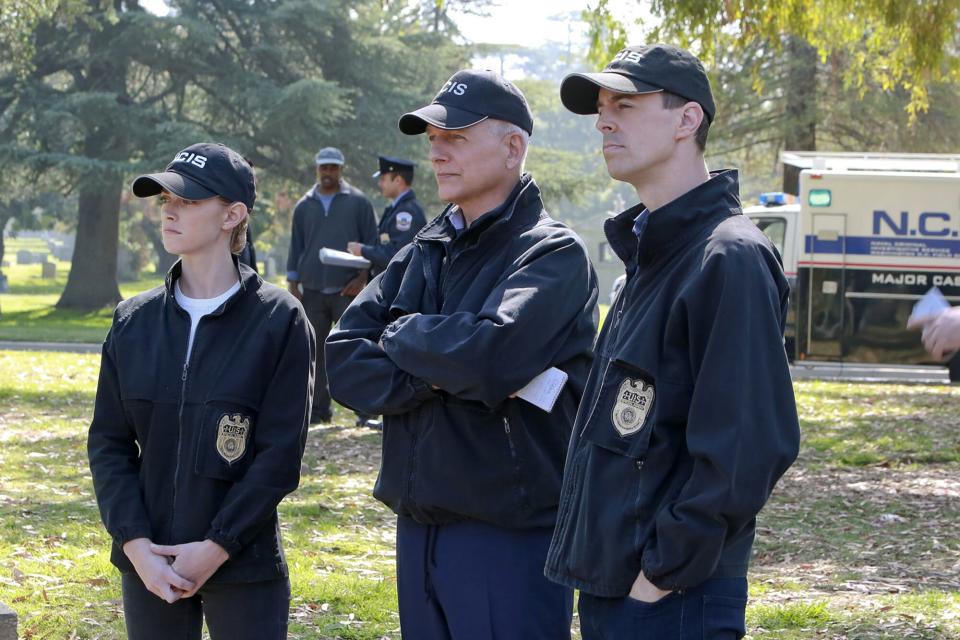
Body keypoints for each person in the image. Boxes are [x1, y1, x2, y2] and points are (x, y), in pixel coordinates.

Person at [325, 69, 599, 640]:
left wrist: (403, 337)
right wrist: (446, 370)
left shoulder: (552, 254)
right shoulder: (426, 248)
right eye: (433, 141)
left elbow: (491, 360)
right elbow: (344, 359)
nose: (438, 154)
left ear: (513, 147)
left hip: (508, 533)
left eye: (456, 137)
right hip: (419, 523)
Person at [544, 44, 801, 639]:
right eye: (602, 107)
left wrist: (659, 575)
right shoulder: (653, 253)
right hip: (618, 587)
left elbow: (749, 447)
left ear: (687, 120)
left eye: (626, 104)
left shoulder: (728, 256)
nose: (605, 119)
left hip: (673, 598)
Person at [87, 142, 316, 640]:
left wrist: (217, 546)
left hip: (244, 565)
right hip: (151, 567)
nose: (169, 209)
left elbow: (279, 457)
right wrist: (135, 546)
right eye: (166, 198)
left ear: (232, 214)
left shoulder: (278, 321)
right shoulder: (133, 322)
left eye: (188, 200)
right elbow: (109, 444)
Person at [286, 146, 378, 425]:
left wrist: (363, 279)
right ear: (317, 169)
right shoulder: (304, 205)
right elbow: (296, 246)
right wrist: (293, 283)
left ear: (341, 169)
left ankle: (365, 411)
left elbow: (370, 245)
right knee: (315, 352)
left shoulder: (358, 202)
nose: (328, 172)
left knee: (354, 349)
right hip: (312, 290)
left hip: (347, 289)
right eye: (324, 167)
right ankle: (318, 411)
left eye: (333, 167)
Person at [347, 155, 427, 277]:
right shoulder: (397, 209)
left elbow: (396, 255)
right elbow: (386, 243)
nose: (380, 184)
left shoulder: (406, 212)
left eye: (383, 179)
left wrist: (362, 250)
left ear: (398, 180)